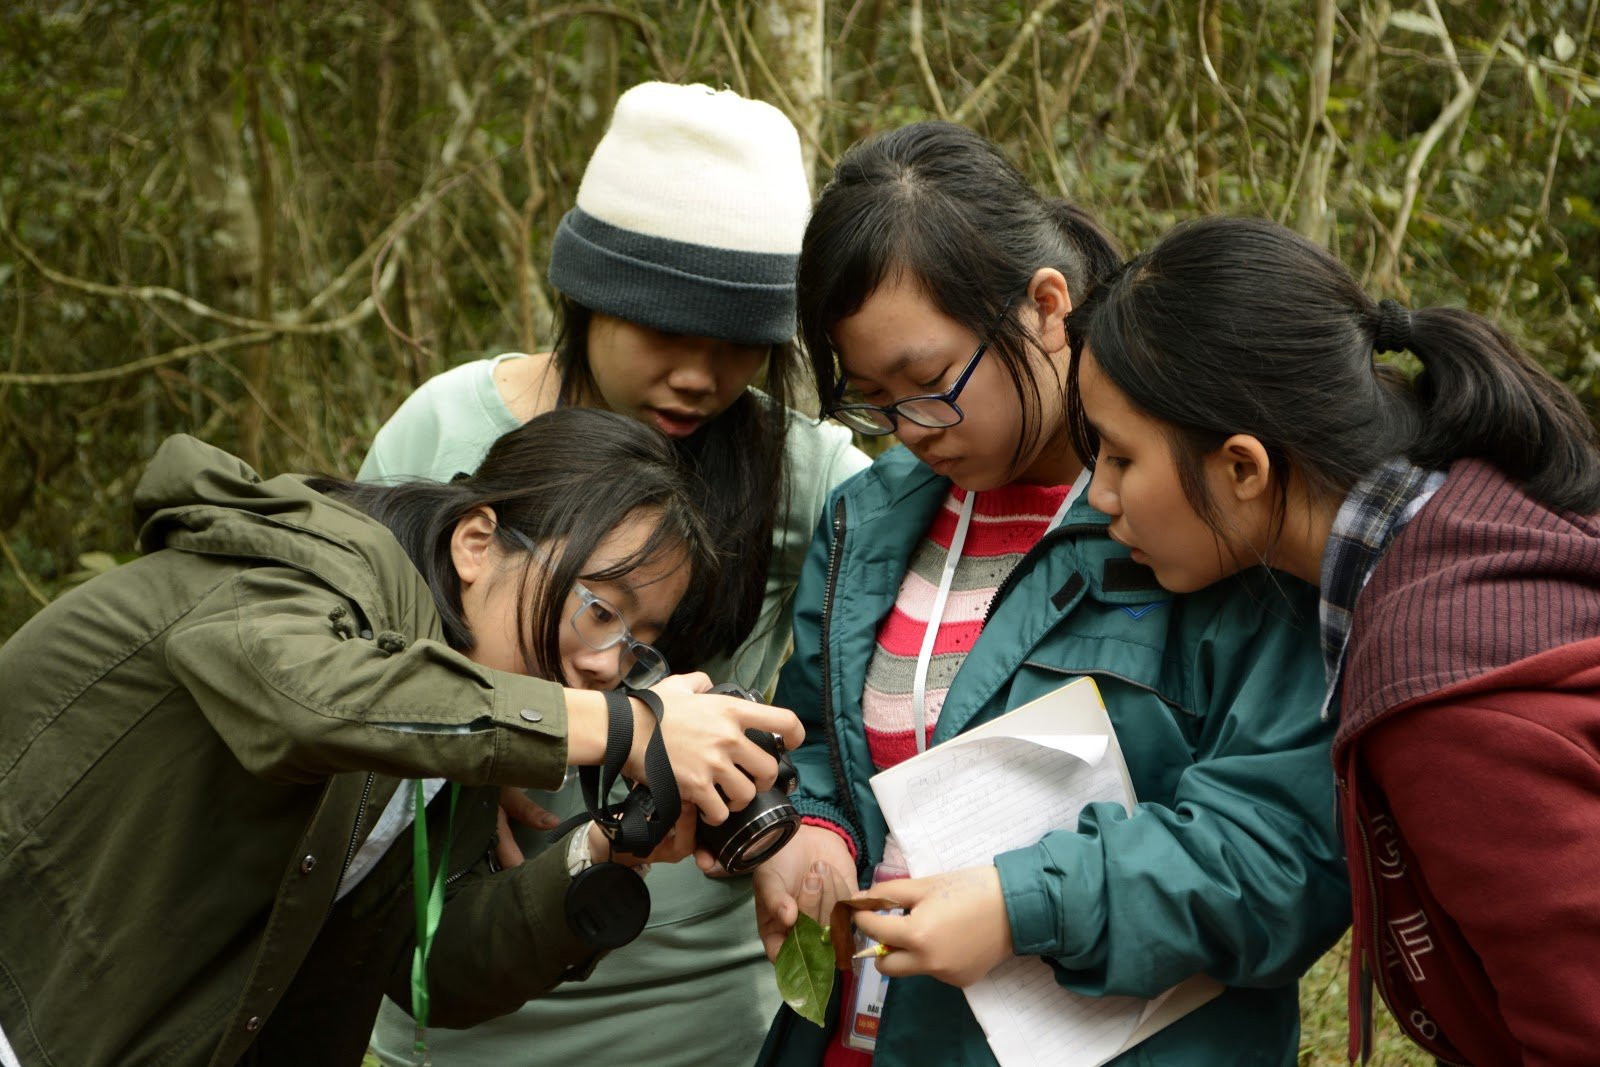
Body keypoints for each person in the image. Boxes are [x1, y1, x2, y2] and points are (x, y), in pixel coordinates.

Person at [753, 123, 1351, 1067]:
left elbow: (1285, 854)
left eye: (928, 384)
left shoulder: (1210, 529)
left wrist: (1023, 903)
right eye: (873, 399)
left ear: (1043, 306)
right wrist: (810, 830)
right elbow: (817, 740)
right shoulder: (866, 523)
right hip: (861, 1035)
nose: (908, 428)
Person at [0, 408, 803, 1067]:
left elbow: (436, 969)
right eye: (600, 609)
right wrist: (622, 724)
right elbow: (306, 705)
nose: (606, 665)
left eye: (636, 647)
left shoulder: (462, 719)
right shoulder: (320, 574)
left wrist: (610, 847)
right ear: (477, 542)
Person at [364, 82, 869, 1066]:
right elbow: (347, 673)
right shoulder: (446, 428)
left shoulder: (809, 476)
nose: (701, 375)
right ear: (587, 297)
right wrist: (487, 742)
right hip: (452, 983)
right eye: (669, 331)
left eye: (738, 347)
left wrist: (814, 818)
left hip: (699, 1003)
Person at [1066, 214, 1600, 1066]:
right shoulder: (1487, 509)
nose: (1099, 495)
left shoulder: (1445, 703)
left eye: (1122, 457)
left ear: (1243, 467)